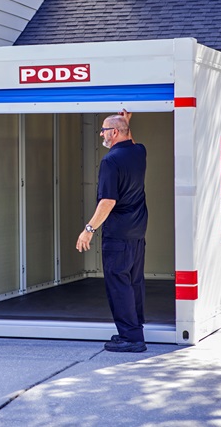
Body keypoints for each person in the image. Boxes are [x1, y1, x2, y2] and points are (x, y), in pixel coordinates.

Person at [76, 110, 148, 353]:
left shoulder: (110, 161)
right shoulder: (139, 152)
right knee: (134, 282)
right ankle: (135, 329)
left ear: (114, 132)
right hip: (137, 233)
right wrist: (126, 124)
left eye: (105, 130)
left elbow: (107, 201)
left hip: (117, 235)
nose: (101, 134)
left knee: (119, 285)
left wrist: (89, 229)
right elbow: (131, 141)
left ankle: (131, 338)